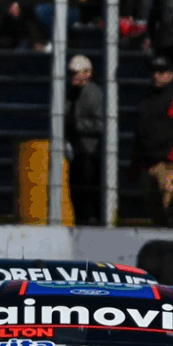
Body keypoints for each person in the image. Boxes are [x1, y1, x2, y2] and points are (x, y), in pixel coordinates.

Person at [130, 54, 173, 227]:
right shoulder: (147, 100)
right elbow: (139, 133)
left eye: (162, 71)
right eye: (154, 71)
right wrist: (136, 163)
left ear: (171, 74)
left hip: (167, 164)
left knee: (170, 209)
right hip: (147, 163)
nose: (157, 75)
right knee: (154, 211)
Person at [66, 54, 104, 225]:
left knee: (88, 194)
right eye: (71, 73)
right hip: (77, 151)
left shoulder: (94, 94)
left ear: (87, 73)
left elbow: (101, 124)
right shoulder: (72, 93)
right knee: (77, 193)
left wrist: (77, 124)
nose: (72, 76)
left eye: (76, 73)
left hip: (90, 151)